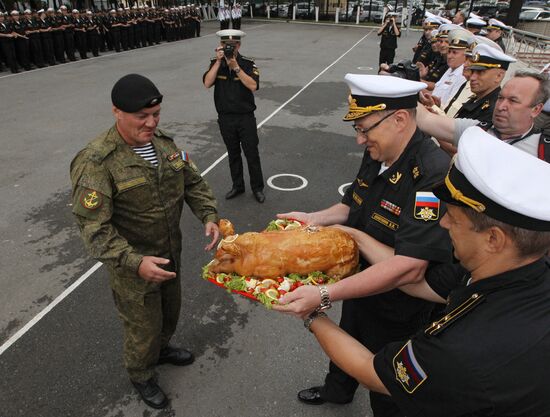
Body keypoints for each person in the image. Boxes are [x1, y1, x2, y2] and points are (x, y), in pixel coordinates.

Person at [297, 127, 550, 417]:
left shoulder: (458, 351)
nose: (442, 225)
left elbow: (374, 373)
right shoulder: (513, 271)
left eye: (453, 219)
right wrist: (351, 237)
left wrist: (312, 312)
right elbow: (421, 284)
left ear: (493, 239)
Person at [273, 74, 452, 417]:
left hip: (398, 304)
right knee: (348, 333)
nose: (359, 139)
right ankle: (337, 391)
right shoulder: (378, 150)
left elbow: (410, 266)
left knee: (385, 382)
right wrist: (313, 217)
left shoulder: (430, 174)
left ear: (399, 119)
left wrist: (325, 293)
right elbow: (352, 205)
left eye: (365, 128)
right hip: (357, 279)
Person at [70, 74, 220, 409]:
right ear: (116, 112)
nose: (151, 122)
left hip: (169, 254)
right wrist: (135, 262)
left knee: (169, 312)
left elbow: (192, 182)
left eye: (156, 114)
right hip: (133, 268)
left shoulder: (164, 144)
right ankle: (141, 373)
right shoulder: (96, 161)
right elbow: (93, 228)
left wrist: (209, 215)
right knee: (142, 326)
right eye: (142, 117)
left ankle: (162, 349)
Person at [416, 70, 550, 161]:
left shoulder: (542, 151)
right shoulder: (475, 130)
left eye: (513, 101)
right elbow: (425, 120)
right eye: (500, 98)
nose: (501, 106)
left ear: (536, 110)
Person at [203, 29, 265, 203]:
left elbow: (253, 85)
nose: (229, 47)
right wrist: (218, 62)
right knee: (233, 153)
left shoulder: (247, 64)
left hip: (245, 117)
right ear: (220, 45)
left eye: (232, 45)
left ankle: (257, 188)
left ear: (239, 45)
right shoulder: (215, 63)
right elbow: (207, 83)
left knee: (251, 154)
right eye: (225, 44)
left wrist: (235, 67)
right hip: (225, 118)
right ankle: (237, 186)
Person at [454, 44, 515, 123]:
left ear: (499, 76)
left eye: (480, 72)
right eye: (472, 71)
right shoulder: (477, 99)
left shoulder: (495, 110)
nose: (472, 77)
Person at [429, 28, 468, 109]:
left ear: (466, 56)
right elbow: (436, 92)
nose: (449, 56)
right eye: (449, 52)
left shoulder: (463, 75)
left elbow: (451, 108)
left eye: (454, 53)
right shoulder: (450, 69)